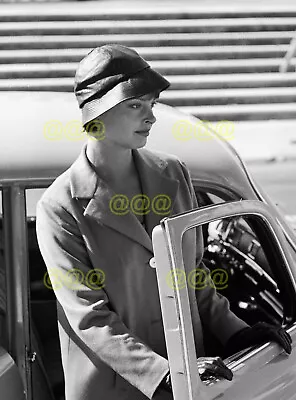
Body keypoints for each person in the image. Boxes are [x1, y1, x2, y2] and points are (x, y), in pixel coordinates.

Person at [36, 44, 292, 400]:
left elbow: (194, 274)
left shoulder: (172, 173)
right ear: (97, 113)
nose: (151, 117)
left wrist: (235, 331)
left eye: (151, 104)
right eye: (135, 105)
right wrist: (164, 374)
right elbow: (89, 317)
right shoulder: (59, 206)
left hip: (192, 375)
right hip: (114, 388)